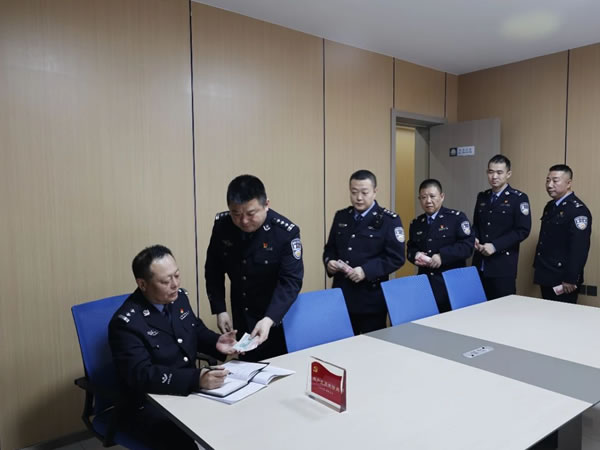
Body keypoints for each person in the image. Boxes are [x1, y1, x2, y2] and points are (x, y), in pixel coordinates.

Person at [108, 245, 238, 450]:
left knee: (234, 421)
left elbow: (194, 328)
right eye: (165, 281)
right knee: (185, 445)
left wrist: (216, 342)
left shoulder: (178, 298)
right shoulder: (126, 323)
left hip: (188, 390)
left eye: (177, 275)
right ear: (142, 284)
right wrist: (196, 379)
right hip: (148, 403)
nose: (175, 284)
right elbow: (142, 375)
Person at [205, 174, 303, 361]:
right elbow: (213, 269)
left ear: (266, 204)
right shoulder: (222, 226)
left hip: (277, 316)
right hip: (241, 312)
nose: (243, 221)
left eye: (251, 214)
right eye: (236, 214)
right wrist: (220, 309)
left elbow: (291, 281)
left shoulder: (285, 233)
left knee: (280, 365)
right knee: (248, 365)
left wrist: (269, 319)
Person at [323, 170, 405, 334]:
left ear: (375, 192)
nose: (359, 198)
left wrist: (366, 271)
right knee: (341, 343)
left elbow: (397, 258)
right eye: (354, 192)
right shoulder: (342, 216)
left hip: (371, 299)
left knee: (371, 345)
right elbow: (330, 248)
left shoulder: (389, 220)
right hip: (342, 295)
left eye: (364, 192)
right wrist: (329, 262)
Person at [407, 179, 475, 313]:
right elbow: (410, 248)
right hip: (425, 284)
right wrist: (415, 255)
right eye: (423, 197)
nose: (428, 201)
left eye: (432, 196)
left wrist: (442, 256)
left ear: (442, 197)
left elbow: (467, 246)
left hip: (451, 284)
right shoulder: (416, 223)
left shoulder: (456, 218)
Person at [472, 154, 531, 299]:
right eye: (491, 172)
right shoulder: (482, 196)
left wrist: (495, 246)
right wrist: (474, 239)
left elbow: (522, 230)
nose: (494, 176)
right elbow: (476, 225)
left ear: (508, 174)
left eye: (499, 172)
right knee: (477, 307)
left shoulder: (518, 198)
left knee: (503, 309)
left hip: (503, 266)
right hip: (479, 263)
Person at [534, 164, 592, 303]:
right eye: (548, 180)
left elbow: (580, 248)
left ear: (568, 183)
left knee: (562, 315)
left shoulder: (578, 210)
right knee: (546, 313)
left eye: (555, 180)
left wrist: (571, 278)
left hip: (564, 278)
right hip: (547, 273)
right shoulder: (550, 206)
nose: (550, 185)